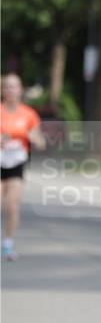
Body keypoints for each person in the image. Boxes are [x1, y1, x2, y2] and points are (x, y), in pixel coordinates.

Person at [1, 74, 46, 261]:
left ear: (20, 90)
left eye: (14, 86)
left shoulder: (29, 114)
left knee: (12, 205)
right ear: (3, 90)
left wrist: (33, 138)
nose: (11, 90)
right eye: (7, 86)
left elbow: (41, 143)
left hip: (17, 163)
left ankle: (7, 245)